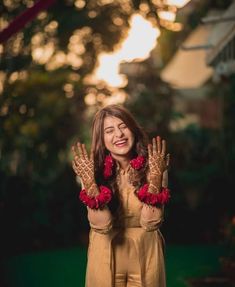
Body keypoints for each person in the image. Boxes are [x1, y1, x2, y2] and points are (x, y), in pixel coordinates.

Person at [71, 104, 170, 287]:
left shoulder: (155, 165)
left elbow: (151, 223)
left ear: (133, 129)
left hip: (146, 254)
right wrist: (91, 186)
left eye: (123, 126)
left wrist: (155, 180)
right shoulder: (91, 170)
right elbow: (103, 225)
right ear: (101, 138)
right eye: (109, 130)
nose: (119, 134)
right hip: (104, 252)